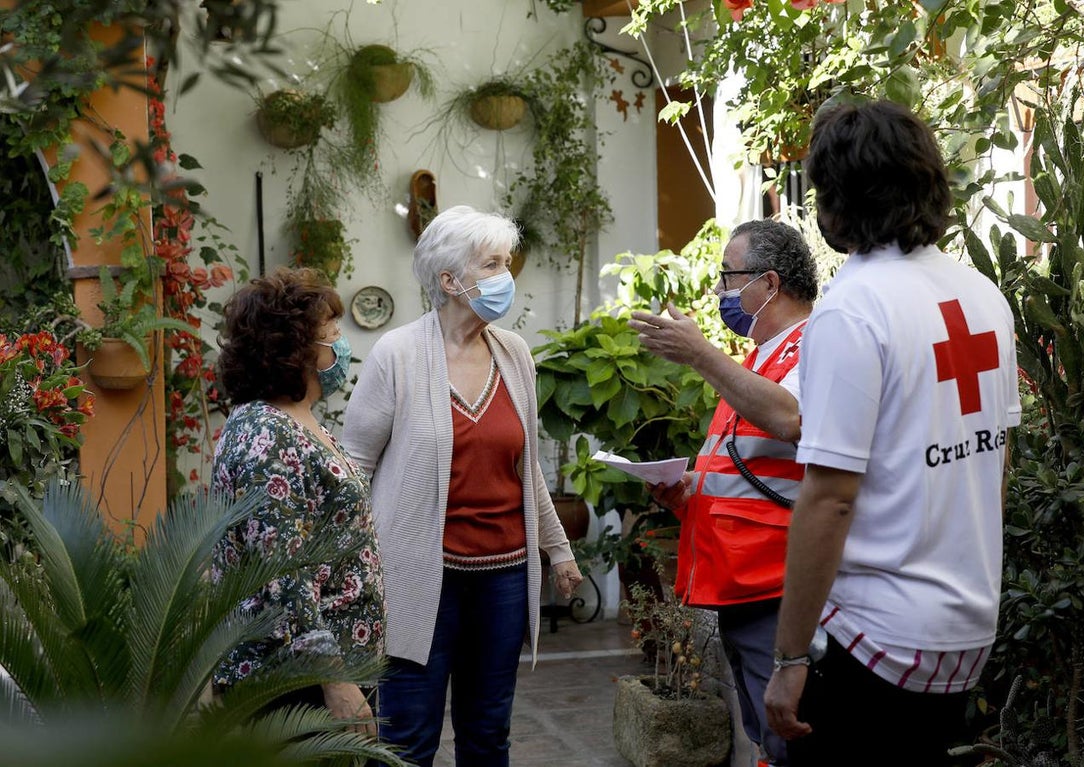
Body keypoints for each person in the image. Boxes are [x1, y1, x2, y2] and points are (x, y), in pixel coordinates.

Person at [763, 99, 1021, 765]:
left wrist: (789, 657)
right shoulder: (983, 297)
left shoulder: (852, 309)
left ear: (836, 200)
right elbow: (995, 464)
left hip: (875, 637)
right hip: (965, 631)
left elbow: (830, 497)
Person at [341, 205, 584, 767]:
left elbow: (526, 470)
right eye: (491, 265)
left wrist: (559, 550)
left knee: (488, 735)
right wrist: (351, 571)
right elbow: (355, 466)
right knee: (407, 739)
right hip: (419, 578)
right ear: (450, 281)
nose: (505, 276)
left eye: (505, 263)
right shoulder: (397, 354)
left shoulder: (515, 354)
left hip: (502, 579)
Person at [629, 219, 818, 767]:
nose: (719, 291)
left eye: (728, 276)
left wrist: (701, 354)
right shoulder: (761, 356)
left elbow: (790, 419)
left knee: (786, 737)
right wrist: (689, 488)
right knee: (765, 732)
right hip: (743, 578)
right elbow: (752, 465)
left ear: (769, 283)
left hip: (775, 579)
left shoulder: (815, 342)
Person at [210, 266, 385, 736]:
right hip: (296, 682)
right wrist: (335, 682)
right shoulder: (266, 435)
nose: (341, 346)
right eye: (333, 334)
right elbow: (282, 571)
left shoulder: (296, 421)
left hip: (329, 670)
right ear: (297, 349)